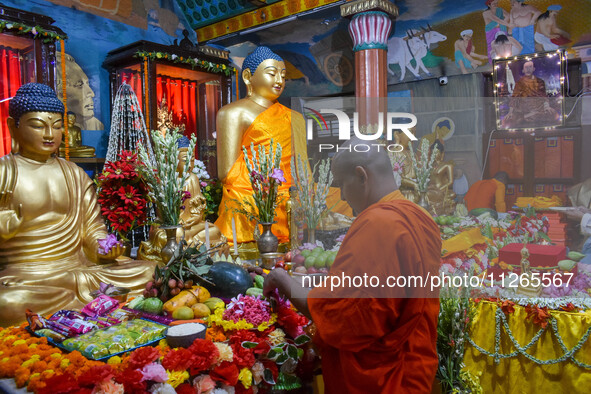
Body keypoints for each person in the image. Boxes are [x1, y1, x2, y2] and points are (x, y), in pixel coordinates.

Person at [263, 138, 441, 392]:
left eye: (342, 185)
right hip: (416, 362)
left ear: (361, 176)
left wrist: (281, 279)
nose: (344, 197)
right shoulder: (419, 216)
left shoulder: (379, 222)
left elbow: (344, 313)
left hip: (382, 377)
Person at [0, 83, 155, 327]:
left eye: (57, 126)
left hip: (78, 270)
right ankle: (90, 304)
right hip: (29, 276)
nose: (50, 134)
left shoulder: (73, 173)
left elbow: (92, 229)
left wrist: (103, 248)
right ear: (13, 127)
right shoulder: (4, 172)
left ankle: (71, 305)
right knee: (7, 302)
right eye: (38, 126)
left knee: (150, 272)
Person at [214, 46, 308, 245]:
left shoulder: (295, 118)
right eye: (272, 74)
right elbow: (226, 174)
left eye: (283, 75)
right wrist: (267, 185)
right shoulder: (233, 112)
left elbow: (303, 167)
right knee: (240, 204)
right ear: (248, 77)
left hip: (290, 193)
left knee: (339, 202)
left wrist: (306, 193)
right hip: (252, 191)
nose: (279, 81)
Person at [138, 137, 226, 262]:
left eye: (192, 160)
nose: (190, 165)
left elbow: (198, 208)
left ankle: (188, 244)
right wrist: (176, 221)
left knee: (214, 230)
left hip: (192, 226)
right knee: (174, 235)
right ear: (173, 159)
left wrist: (195, 218)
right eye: (185, 160)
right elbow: (161, 216)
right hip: (171, 228)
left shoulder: (193, 178)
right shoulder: (165, 179)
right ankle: (189, 245)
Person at [56, 53, 104, 130]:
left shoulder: (96, 125)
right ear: (59, 95)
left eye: (87, 84)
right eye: (79, 85)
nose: (91, 94)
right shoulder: (55, 128)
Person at [504, 60, 558, 127]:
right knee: (509, 120)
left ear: (533, 69)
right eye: (526, 67)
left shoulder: (540, 81)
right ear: (523, 70)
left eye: (530, 67)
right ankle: (527, 116)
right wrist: (510, 112)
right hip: (524, 108)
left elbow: (543, 96)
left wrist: (547, 106)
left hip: (538, 108)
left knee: (553, 114)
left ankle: (528, 116)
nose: (528, 69)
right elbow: (514, 98)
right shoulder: (519, 83)